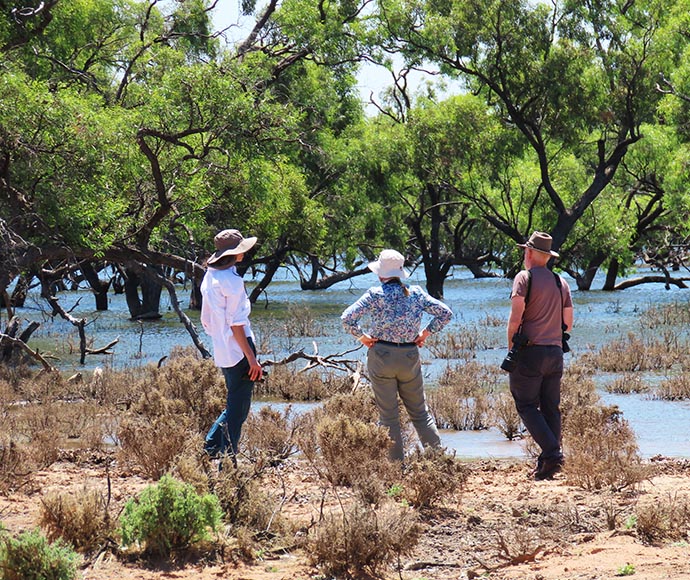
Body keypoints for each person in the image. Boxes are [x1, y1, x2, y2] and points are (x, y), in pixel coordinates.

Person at [341, 249, 453, 462]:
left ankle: (395, 468)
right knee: (420, 414)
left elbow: (347, 318)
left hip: (381, 355)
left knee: (389, 418)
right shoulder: (417, 293)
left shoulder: (375, 294)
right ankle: (439, 462)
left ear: (381, 273)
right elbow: (446, 313)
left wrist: (362, 337)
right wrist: (424, 333)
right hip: (409, 355)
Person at [506, 231, 573, 480]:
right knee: (550, 408)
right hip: (555, 353)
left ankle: (553, 453)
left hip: (529, 352)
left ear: (531, 253)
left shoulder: (524, 278)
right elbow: (568, 323)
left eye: (526, 250)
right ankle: (548, 463)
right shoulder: (560, 282)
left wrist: (511, 348)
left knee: (525, 404)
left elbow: (515, 319)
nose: (525, 254)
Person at [200, 228, 264, 464]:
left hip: (223, 349)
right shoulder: (232, 281)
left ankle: (210, 451)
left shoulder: (210, 277)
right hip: (239, 348)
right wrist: (252, 359)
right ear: (236, 254)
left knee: (234, 405)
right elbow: (237, 324)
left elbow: (206, 321)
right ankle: (225, 458)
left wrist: (220, 336)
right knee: (238, 410)